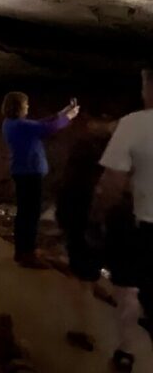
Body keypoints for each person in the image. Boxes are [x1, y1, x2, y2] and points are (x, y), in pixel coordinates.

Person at [97, 69, 153, 373]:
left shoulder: (134, 124)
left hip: (142, 226)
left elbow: (112, 182)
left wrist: (103, 215)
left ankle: (126, 351)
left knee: (128, 289)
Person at [55, 116, 116, 353]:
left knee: (80, 280)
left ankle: (84, 330)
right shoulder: (113, 171)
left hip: (83, 224)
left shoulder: (78, 174)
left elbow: (67, 202)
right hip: (108, 227)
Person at [1, 91, 79, 268]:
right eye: (25, 104)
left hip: (22, 172)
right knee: (30, 215)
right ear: (18, 106)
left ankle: (22, 251)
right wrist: (69, 117)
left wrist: (62, 112)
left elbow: (40, 123)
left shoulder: (11, 124)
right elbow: (47, 128)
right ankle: (27, 253)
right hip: (29, 174)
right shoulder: (20, 125)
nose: (28, 107)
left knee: (25, 213)